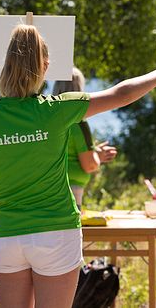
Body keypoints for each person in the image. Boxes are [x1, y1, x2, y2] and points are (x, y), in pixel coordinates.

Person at [0, 24, 156, 308]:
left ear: (6, 65)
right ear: (44, 67)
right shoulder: (57, 109)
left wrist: (5, 183)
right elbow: (121, 95)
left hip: (8, 234)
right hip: (56, 232)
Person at [53, 67, 118, 208]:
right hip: (70, 190)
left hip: (46, 187)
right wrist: (98, 156)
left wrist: (93, 151)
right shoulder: (78, 121)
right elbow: (89, 165)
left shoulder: (47, 117)